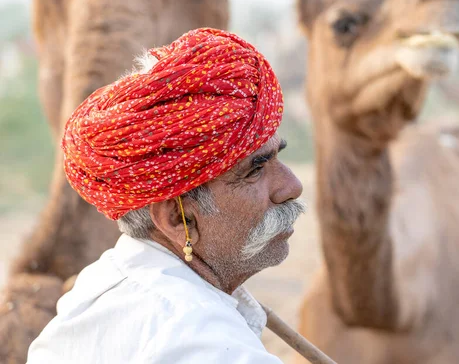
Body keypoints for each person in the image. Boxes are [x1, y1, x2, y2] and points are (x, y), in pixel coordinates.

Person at [27, 28, 305, 363]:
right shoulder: (204, 343)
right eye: (255, 169)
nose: (292, 186)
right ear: (179, 218)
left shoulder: (107, 284)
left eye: (277, 156)